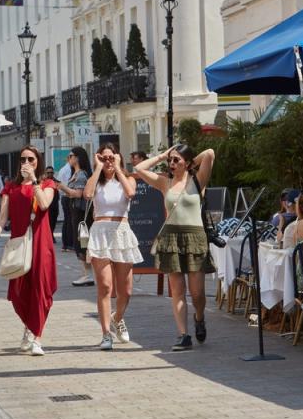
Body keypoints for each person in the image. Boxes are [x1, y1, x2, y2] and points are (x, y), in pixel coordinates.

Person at [136, 144, 216, 351]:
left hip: (194, 237)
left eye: (176, 160)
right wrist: (162, 155)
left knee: (197, 293)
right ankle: (183, 334)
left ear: (187, 162)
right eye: (170, 161)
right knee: (178, 291)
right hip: (171, 237)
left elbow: (209, 153)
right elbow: (139, 169)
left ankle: (199, 318)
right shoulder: (165, 182)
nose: (171, 164)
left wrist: (190, 163)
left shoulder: (198, 181)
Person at [0, 145, 57, 356]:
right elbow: (2, 216)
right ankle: (29, 325)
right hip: (19, 243)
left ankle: (37, 337)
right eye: (23, 159)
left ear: (38, 162)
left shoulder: (47, 184)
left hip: (41, 244)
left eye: (31, 159)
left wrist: (34, 180)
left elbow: (44, 205)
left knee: (40, 290)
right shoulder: (10, 187)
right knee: (18, 293)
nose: (26, 163)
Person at [84, 143, 141, 351]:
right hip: (100, 231)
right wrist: (98, 167)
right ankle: (106, 333)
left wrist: (117, 168)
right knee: (105, 287)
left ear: (118, 158)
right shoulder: (96, 181)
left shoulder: (128, 179)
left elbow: (130, 193)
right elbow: (87, 194)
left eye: (111, 157)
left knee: (125, 290)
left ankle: (118, 318)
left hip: (122, 231)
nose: (107, 161)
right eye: (104, 157)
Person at [57, 147, 93, 286]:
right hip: (75, 212)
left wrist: (62, 187)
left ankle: (87, 274)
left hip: (80, 214)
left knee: (82, 242)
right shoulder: (76, 174)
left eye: (70, 155)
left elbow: (78, 194)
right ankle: (85, 273)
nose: (68, 158)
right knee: (80, 242)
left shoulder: (81, 175)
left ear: (77, 158)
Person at [57, 154, 75, 252]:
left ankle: (66, 243)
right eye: (73, 158)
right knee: (69, 220)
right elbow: (68, 185)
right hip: (68, 196)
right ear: (69, 158)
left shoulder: (63, 169)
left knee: (67, 220)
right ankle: (69, 243)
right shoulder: (67, 170)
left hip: (65, 196)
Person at [43, 166, 59, 242]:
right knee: (48, 223)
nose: (50, 174)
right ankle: (49, 237)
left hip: (55, 205)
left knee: (53, 222)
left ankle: (51, 234)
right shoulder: (43, 182)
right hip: (47, 206)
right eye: (48, 172)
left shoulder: (56, 182)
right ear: (45, 173)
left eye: (51, 172)